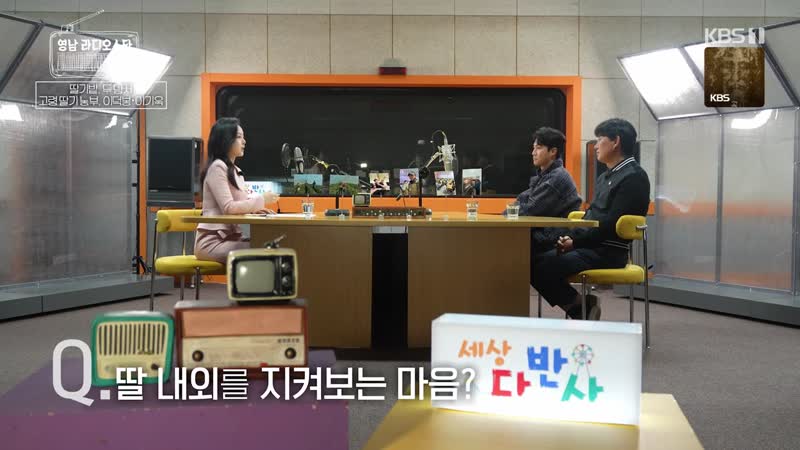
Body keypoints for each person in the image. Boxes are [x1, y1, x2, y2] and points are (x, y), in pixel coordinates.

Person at [531, 118, 650, 320]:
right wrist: (571, 238)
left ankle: (580, 308)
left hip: (609, 252)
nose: (595, 146)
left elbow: (611, 224)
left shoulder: (634, 177)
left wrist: (575, 242)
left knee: (539, 266)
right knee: (531, 258)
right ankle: (582, 307)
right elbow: (593, 215)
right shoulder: (606, 177)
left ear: (615, 141)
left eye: (600, 139)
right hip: (591, 246)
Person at [194, 117, 279, 264]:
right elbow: (229, 208)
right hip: (212, 243)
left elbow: (239, 205)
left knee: (271, 245)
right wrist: (262, 200)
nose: (244, 141)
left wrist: (255, 210)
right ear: (226, 140)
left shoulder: (235, 171)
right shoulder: (217, 167)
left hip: (231, 239)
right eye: (239, 137)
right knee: (267, 249)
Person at [515, 127, 582, 252]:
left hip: (554, 239)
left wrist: (513, 210)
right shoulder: (544, 176)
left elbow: (528, 211)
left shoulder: (557, 178)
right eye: (533, 148)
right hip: (544, 234)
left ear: (553, 151)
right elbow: (521, 200)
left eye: (538, 148)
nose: (533, 153)